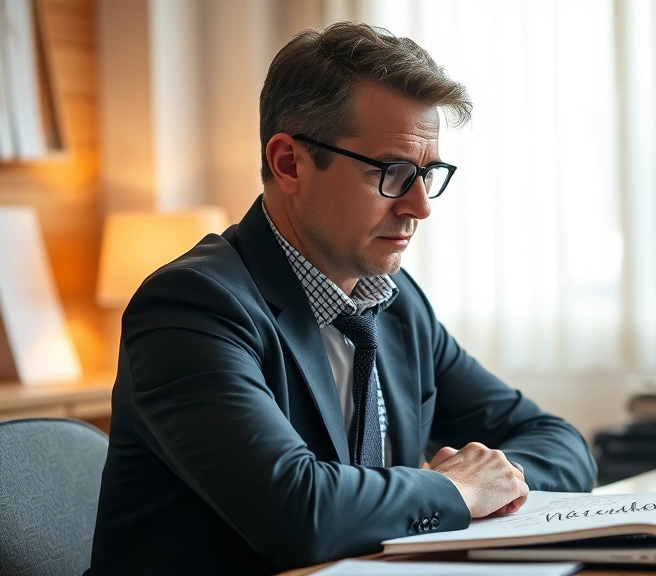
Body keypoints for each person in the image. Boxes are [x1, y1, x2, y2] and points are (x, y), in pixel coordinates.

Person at [86, 21, 596, 575]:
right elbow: (297, 513)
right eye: (394, 172)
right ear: (289, 163)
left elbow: (561, 444)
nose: (421, 206)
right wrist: (450, 490)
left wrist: (492, 480)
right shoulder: (191, 308)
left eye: (430, 174)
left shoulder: (397, 306)